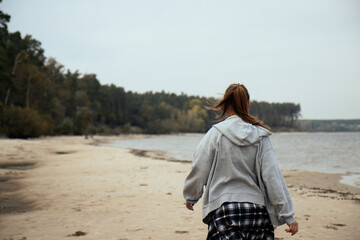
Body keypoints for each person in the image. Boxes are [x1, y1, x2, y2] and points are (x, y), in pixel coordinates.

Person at [183, 83, 298, 240]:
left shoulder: (215, 134)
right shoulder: (260, 137)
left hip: (225, 212)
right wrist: (288, 215)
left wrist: (191, 196)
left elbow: (199, 167)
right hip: (258, 214)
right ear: (248, 105)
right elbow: (273, 177)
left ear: (225, 104)